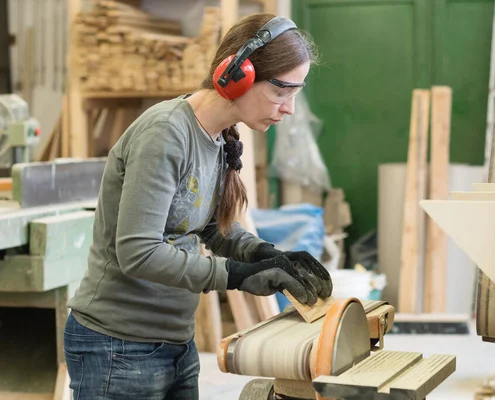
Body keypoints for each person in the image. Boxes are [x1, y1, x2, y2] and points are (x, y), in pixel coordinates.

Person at [63, 13, 332, 399]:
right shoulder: (166, 134)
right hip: (117, 346)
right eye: (281, 92)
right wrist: (237, 275)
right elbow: (138, 253)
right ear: (238, 74)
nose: (288, 108)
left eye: (295, 93)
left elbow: (211, 227)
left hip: (175, 341)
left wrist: (268, 255)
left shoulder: (218, 137)